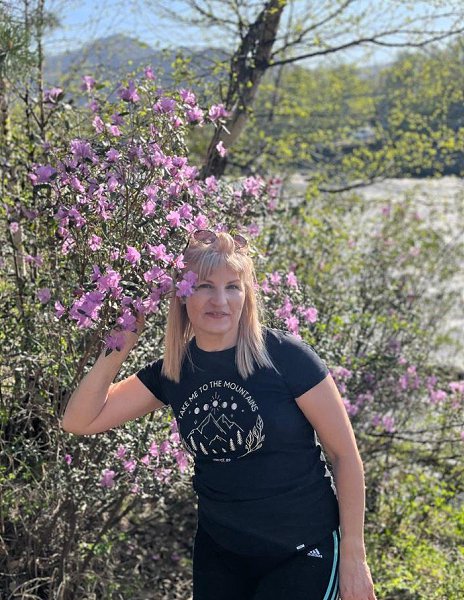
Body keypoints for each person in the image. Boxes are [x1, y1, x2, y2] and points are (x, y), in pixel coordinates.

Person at [62, 229, 376, 600]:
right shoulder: (174, 371)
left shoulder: (286, 357)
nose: (220, 300)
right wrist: (120, 341)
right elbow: (79, 421)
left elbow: (344, 455)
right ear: (182, 295)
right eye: (204, 286)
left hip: (303, 550)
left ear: (246, 295)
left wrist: (354, 555)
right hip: (222, 554)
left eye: (232, 287)